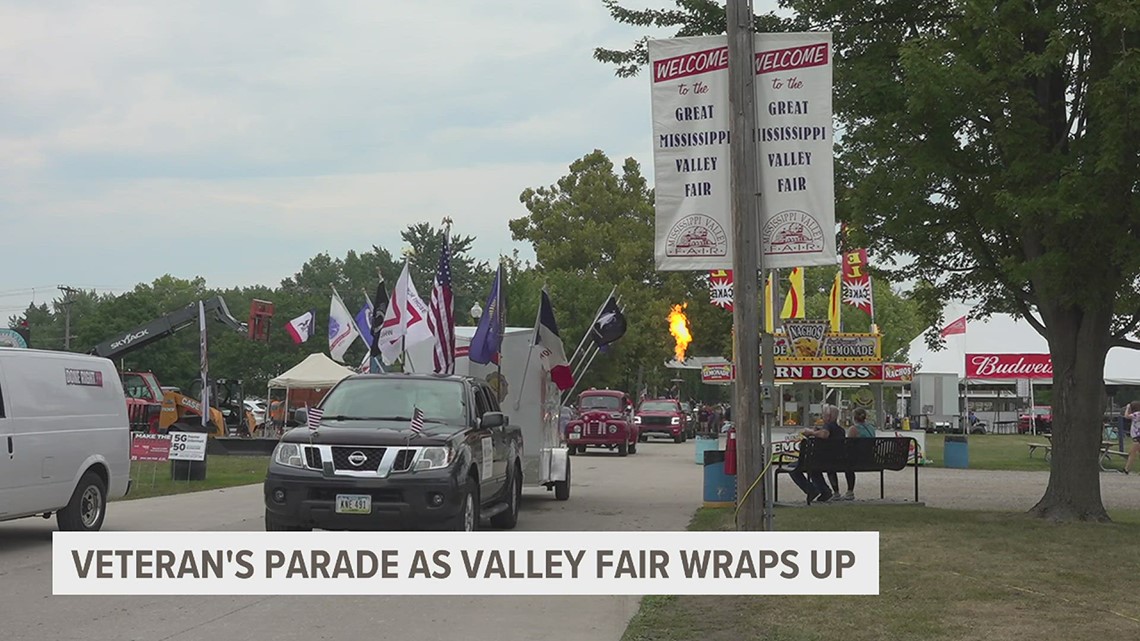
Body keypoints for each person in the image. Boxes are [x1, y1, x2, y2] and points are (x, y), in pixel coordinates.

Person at [788, 404, 846, 503]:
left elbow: (824, 434)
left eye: (824, 415)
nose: (822, 417)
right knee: (814, 468)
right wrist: (817, 431)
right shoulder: (841, 430)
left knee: (792, 468)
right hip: (834, 461)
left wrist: (811, 432)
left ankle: (811, 490)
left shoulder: (828, 426)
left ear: (829, 416)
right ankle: (825, 491)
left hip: (822, 460)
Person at [1121, 401, 1140, 475]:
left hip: (1137, 436)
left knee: (1132, 453)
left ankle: (1126, 469)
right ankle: (1127, 469)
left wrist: (1128, 408)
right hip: (1137, 436)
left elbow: (1126, 416)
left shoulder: (1137, 414)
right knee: (1134, 453)